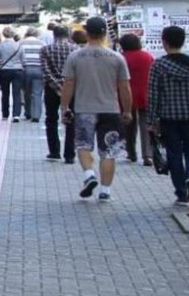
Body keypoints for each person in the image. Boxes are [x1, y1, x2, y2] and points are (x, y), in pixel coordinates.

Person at [60, 17, 132, 202]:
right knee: (109, 152)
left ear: (86, 32)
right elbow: (124, 87)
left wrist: (64, 107)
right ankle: (105, 191)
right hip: (111, 109)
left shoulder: (75, 56)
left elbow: (68, 83)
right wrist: (128, 110)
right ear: (104, 33)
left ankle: (89, 175)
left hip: (84, 109)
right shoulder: (117, 57)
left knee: (83, 145)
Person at [146, 25, 189, 205]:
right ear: (183, 42)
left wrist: (151, 121)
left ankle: (181, 192)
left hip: (169, 119)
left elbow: (153, 95)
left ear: (165, 42)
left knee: (174, 154)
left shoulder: (158, 65)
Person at [40, 25, 78, 163]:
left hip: (51, 89)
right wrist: (66, 86)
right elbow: (76, 71)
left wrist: (56, 85)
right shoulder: (75, 50)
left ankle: (54, 151)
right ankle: (70, 154)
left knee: (51, 119)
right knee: (71, 119)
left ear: (54, 34)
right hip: (72, 87)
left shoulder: (45, 50)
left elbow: (45, 71)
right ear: (68, 34)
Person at [119, 33, 155, 166]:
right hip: (146, 94)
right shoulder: (148, 56)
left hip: (126, 95)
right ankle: (148, 155)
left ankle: (131, 152)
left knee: (128, 124)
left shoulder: (122, 58)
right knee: (146, 125)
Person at [0, 26, 24, 122]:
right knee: (17, 93)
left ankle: (5, 114)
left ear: (3, 34)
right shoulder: (19, 46)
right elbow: (23, 60)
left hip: (4, 71)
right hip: (17, 70)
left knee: (5, 93)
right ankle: (16, 115)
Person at [19, 27, 44, 122]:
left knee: (27, 92)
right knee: (37, 93)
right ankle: (36, 115)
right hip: (39, 69)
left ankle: (28, 113)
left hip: (25, 69)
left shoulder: (21, 43)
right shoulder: (42, 43)